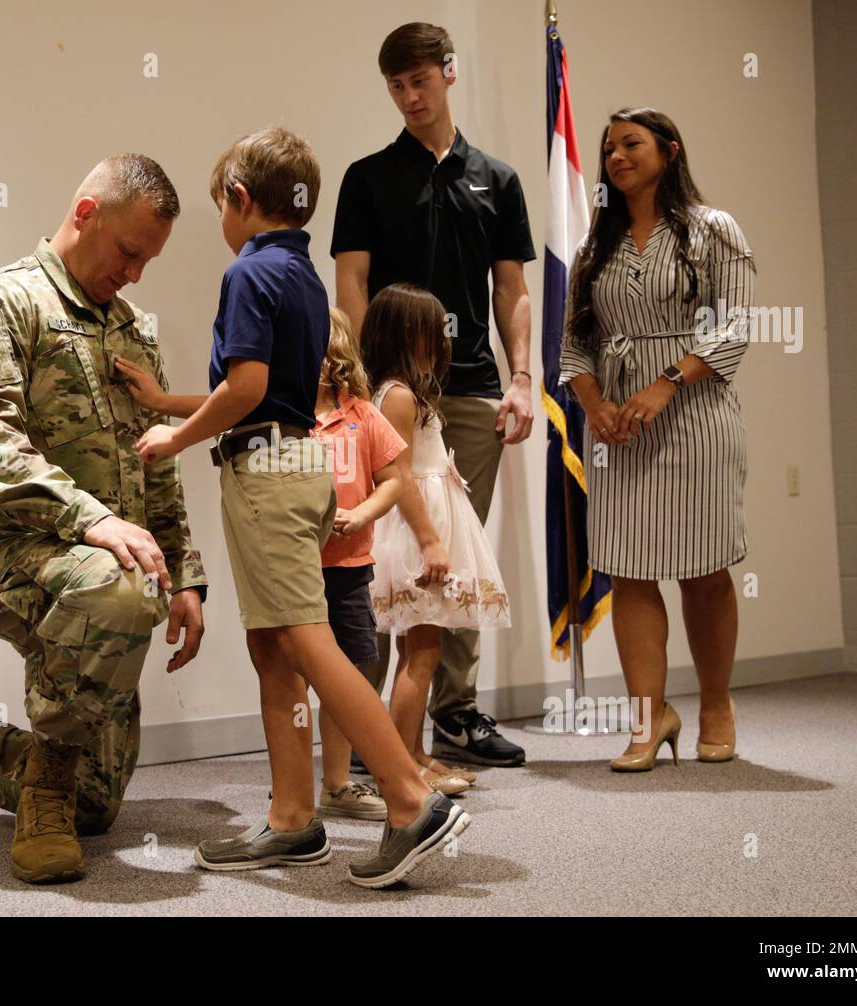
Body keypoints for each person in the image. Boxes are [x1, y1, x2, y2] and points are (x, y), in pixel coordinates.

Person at [124, 126, 470, 888]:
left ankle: (410, 798)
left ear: (241, 200)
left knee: (308, 642)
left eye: (221, 205)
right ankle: (291, 818)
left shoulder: (249, 275)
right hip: (297, 463)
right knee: (275, 647)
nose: (222, 220)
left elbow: (246, 391)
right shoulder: (304, 272)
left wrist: (174, 435)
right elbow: (272, 390)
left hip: (268, 471)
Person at [0, 154, 208, 884]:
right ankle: (41, 795)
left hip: (99, 566)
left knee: (98, 804)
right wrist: (90, 521)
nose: (137, 274)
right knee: (118, 588)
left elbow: (157, 459)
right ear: (86, 214)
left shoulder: (133, 329)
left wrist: (184, 576)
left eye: (149, 260)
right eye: (129, 252)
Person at [332, 21, 534, 768]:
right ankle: (372, 725)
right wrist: (362, 377)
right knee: (384, 549)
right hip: (388, 395)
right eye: (396, 86)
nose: (410, 98)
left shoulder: (499, 179)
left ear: (450, 74)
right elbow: (350, 282)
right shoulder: (368, 177)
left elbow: (512, 287)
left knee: (455, 551)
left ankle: (455, 714)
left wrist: (520, 378)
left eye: (421, 81)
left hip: (475, 390)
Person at [557, 107, 755, 771]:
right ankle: (649, 719)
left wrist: (666, 383)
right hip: (615, 426)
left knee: (703, 569)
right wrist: (594, 406)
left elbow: (732, 329)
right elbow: (573, 345)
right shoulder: (594, 247)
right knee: (631, 571)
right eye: (608, 148)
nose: (615, 157)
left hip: (694, 416)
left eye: (630, 144)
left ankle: (717, 704)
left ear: (669, 150)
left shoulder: (712, 230)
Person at [364, 284, 511, 795]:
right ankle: (404, 765)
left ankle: (418, 755)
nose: (442, 341)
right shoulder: (399, 396)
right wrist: (430, 542)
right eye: (431, 332)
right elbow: (399, 477)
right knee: (422, 650)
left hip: (422, 524)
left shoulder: (397, 390)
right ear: (406, 335)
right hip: (414, 531)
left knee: (420, 648)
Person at [310, 307, 405, 821]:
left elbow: (393, 479)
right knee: (290, 672)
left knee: (349, 675)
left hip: (348, 567)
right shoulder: (283, 414)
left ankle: (339, 783)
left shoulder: (363, 414)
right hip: (295, 568)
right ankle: (292, 788)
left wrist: (362, 512)